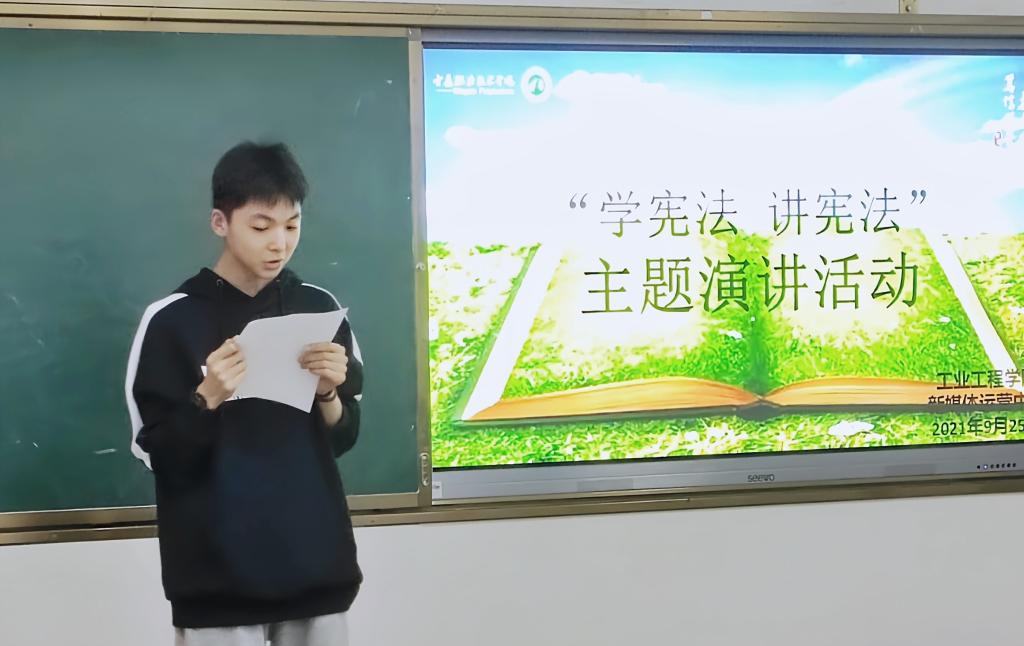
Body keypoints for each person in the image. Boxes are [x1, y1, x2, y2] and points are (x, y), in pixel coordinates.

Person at [125, 141, 363, 646]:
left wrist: (328, 393)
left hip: (316, 568)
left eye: (292, 226)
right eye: (261, 227)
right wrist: (206, 397)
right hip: (218, 582)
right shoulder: (171, 321)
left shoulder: (319, 309)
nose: (279, 244)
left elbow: (342, 439)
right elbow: (156, 454)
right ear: (220, 222)